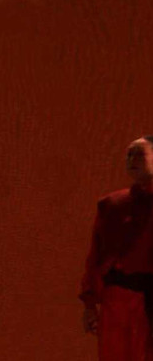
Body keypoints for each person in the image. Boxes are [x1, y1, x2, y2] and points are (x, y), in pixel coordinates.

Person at [81, 136, 153, 360]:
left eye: (139, 154)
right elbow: (96, 255)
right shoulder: (112, 205)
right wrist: (90, 303)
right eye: (129, 155)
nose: (132, 160)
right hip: (117, 300)